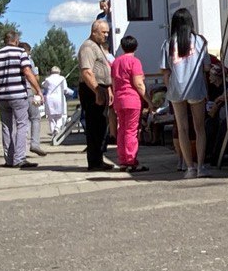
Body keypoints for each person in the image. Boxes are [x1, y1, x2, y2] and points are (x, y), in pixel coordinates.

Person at [162, 7, 210, 178]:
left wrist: (169, 89)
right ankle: (201, 167)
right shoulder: (200, 41)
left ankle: (189, 167)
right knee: (199, 128)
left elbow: (166, 72)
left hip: (176, 89)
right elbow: (207, 67)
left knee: (182, 128)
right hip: (196, 87)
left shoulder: (168, 43)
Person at [0, 29, 43, 168]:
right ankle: (19, 158)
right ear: (16, 40)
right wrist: (38, 89)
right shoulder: (21, 53)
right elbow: (27, 71)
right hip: (18, 94)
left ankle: (8, 159)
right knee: (22, 125)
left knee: (6, 127)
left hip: (2, 96)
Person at [77, 18, 115, 171]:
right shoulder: (87, 47)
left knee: (101, 126)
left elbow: (103, 69)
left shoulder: (97, 46)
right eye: (103, 32)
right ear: (94, 32)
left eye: (107, 32)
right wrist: (97, 90)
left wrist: (109, 89)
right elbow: (87, 72)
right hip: (91, 90)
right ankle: (94, 162)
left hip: (102, 88)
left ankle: (98, 158)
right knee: (94, 126)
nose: (106, 35)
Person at [110, 35, 150, 172]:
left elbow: (114, 83)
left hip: (119, 99)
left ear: (122, 46)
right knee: (131, 131)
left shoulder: (115, 62)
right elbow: (138, 83)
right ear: (136, 47)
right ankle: (131, 160)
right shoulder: (135, 62)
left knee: (122, 129)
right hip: (132, 99)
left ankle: (122, 160)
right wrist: (148, 100)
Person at [19, 42, 45, 158]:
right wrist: (38, 91)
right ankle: (34, 143)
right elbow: (34, 76)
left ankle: (19, 149)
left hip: (14, 93)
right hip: (28, 90)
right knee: (35, 117)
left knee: (19, 122)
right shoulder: (28, 59)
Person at [42, 66, 74, 140]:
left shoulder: (48, 79)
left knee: (51, 117)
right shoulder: (62, 78)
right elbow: (65, 89)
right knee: (62, 115)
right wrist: (72, 92)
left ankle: (54, 133)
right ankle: (57, 127)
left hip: (50, 99)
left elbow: (43, 85)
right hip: (59, 98)